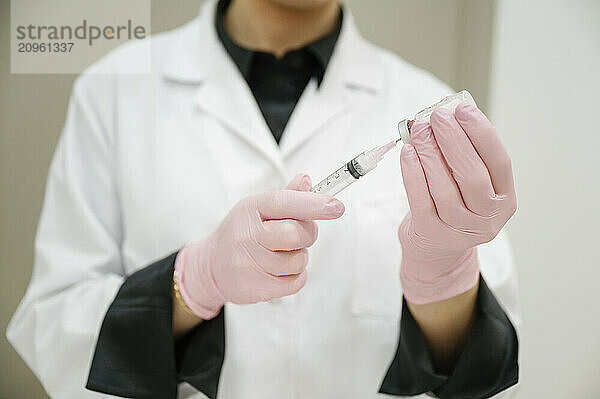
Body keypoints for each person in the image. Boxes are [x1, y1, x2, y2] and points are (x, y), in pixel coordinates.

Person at [7, 0, 520, 398]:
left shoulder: (424, 107)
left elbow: (479, 373)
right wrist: (191, 282)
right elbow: (55, 329)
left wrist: (444, 279)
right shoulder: (112, 92)